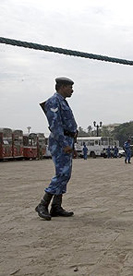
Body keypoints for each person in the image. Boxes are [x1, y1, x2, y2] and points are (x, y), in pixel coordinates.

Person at [35, 77, 77, 220]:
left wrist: (71, 144)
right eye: (70, 87)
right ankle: (43, 204)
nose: (72, 90)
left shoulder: (62, 101)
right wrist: (64, 143)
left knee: (65, 174)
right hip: (61, 142)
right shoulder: (54, 101)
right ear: (62, 87)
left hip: (67, 140)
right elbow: (55, 125)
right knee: (61, 174)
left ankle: (56, 206)